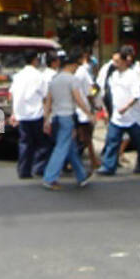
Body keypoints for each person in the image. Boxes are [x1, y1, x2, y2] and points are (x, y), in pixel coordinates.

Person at [41, 49, 94, 190]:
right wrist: (89, 113)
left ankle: (82, 176)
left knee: (70, 147)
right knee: (62, 148)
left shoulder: (54, 80)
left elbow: (48, 101)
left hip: (56, 117)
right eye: (76, 66)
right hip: (66, 116)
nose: (76, 69)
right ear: (71, 65)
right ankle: (49, 178)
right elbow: (78, 99)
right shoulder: (72, 79)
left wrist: (46, 119)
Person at [98, 46, 140, 176]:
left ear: (124, 61)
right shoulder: (114, 75)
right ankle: (108, 166)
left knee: (139, 143)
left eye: (117, 61)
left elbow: (136, 94)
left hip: (132, 116)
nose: (115, 64)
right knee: (112, 141)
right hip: (117, 116)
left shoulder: (132, 75)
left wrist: (126, 107)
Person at [9, 51, 49, 179]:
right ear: (35, 60)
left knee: (25, 143)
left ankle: (23, 170)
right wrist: (47, 116)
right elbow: (46, 96)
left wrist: (14, 113)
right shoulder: (39, 76)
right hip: (36, 113)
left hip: (22, 114)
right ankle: (38, 168)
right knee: (41, 143)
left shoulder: (18, 76)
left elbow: (12, 95)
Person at [73, 50, 99, 172]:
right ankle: (91, 161)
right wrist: (94, 102)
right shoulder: (83, 71)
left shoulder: (71, 72)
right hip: (83, 109)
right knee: (86, 138)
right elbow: (91, 90)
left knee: (81, 137)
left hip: (74, 109)